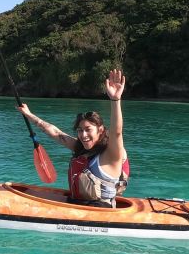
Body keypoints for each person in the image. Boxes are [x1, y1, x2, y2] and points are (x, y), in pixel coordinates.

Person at [18, 69, 129, 208]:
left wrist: (115, 100)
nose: (83, 135)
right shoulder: (82, 149)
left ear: (100, 130)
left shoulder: (111, 155)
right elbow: (56, 133)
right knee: (29, 194)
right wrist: (29, 115)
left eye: (88, 130)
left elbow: (117, 132)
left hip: (99, 211)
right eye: (80, 130)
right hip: (76, 204)